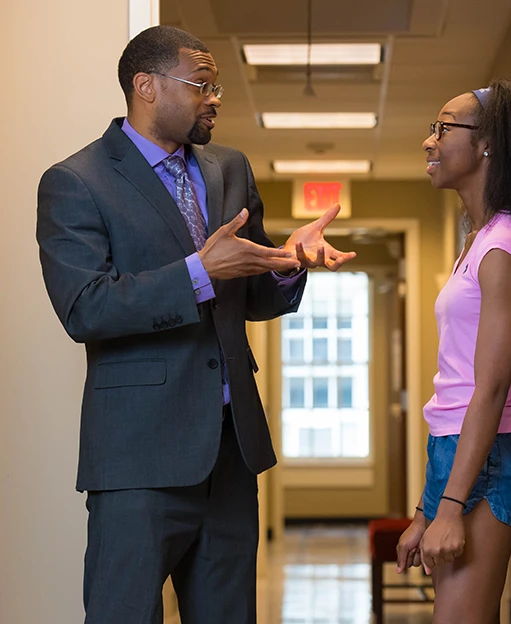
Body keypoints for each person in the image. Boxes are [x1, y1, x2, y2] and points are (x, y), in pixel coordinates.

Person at [36, 25, 355, 624]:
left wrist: (288, 262)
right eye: (201, 84)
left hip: (232, 455)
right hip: (137, 460)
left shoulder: (229, 168)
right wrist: (197, 272)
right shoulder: (77, 181)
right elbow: (84, 306)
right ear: (146, 86)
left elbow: (249, 294)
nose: (215, 98)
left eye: (217, 87)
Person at [396, 79, 511, 623]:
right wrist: (429, 508)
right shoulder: (481, 238)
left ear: (488, 143)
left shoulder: (507, 243)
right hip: (457, 446)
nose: (429, 140)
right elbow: (457, 382)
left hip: (491, 451)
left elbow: (491, 387)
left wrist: (450, 507)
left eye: (444, 127)